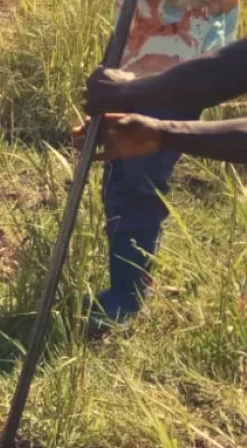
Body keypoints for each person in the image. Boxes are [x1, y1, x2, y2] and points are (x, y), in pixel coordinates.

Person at [76, 0, 239, 326]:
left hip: (178, 74)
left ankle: (126, 298)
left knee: (139, 185)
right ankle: (123, 287)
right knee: (119, 180)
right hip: (132, 66)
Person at [77, 37, 247, 164]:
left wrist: (130, 92)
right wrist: (162, 133)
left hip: (176, 63)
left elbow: (232, 69)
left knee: (141, 186)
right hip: (155, 77)